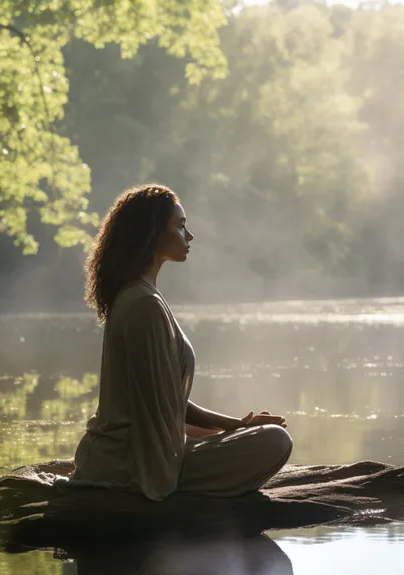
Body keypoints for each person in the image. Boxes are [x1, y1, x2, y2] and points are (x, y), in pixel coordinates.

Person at [70, 184, 292, 501]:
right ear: (152, 232)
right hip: (131, 464)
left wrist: (235, 428)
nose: (189, 236)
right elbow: (166, 409)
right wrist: (237, 426)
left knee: (267, 436)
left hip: (138, 451)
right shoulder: (143, 305)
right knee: (275, 441)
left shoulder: (142, 296)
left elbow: (167, 405)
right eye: (180, 225)